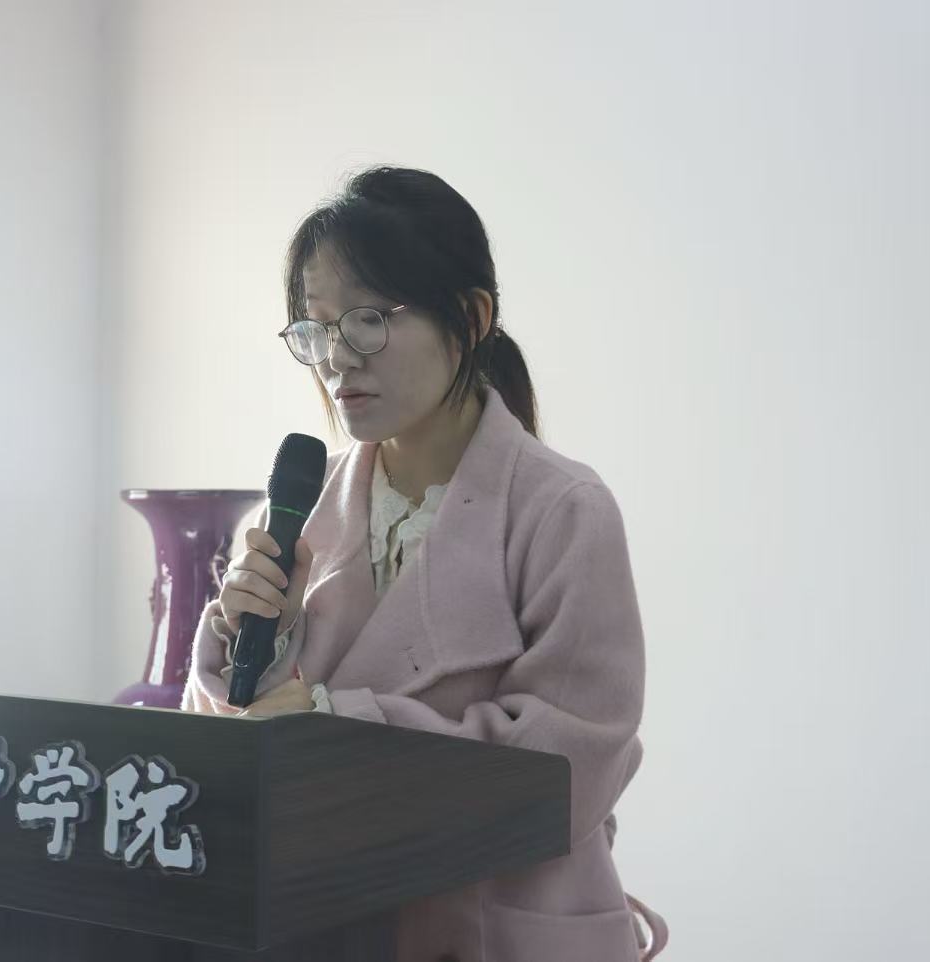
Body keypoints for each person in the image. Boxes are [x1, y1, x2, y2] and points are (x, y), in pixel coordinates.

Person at [180, 166, 668, 962]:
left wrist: (336, 729)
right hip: (331, 929)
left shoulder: (563, 510)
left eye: (368, 321)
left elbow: (566, 772)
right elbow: (223, 780)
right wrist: (252, 644)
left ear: (470, 318)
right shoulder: (298, 511)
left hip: (500, 935)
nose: (337, 359)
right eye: (316, 329)